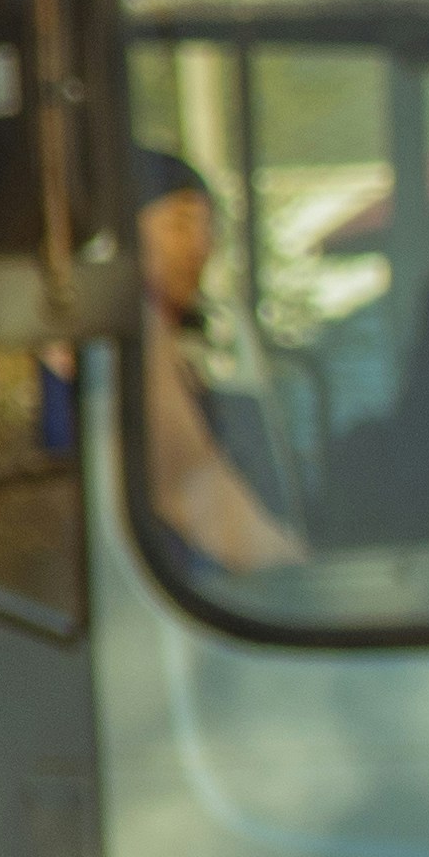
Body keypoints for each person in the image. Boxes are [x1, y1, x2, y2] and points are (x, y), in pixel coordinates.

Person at [131, 145, 302, 573]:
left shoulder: (213, 344)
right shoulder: (126, 348)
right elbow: (193, 489)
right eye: (179, 225)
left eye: (208, 228)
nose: (199, 246)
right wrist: (291, 574)